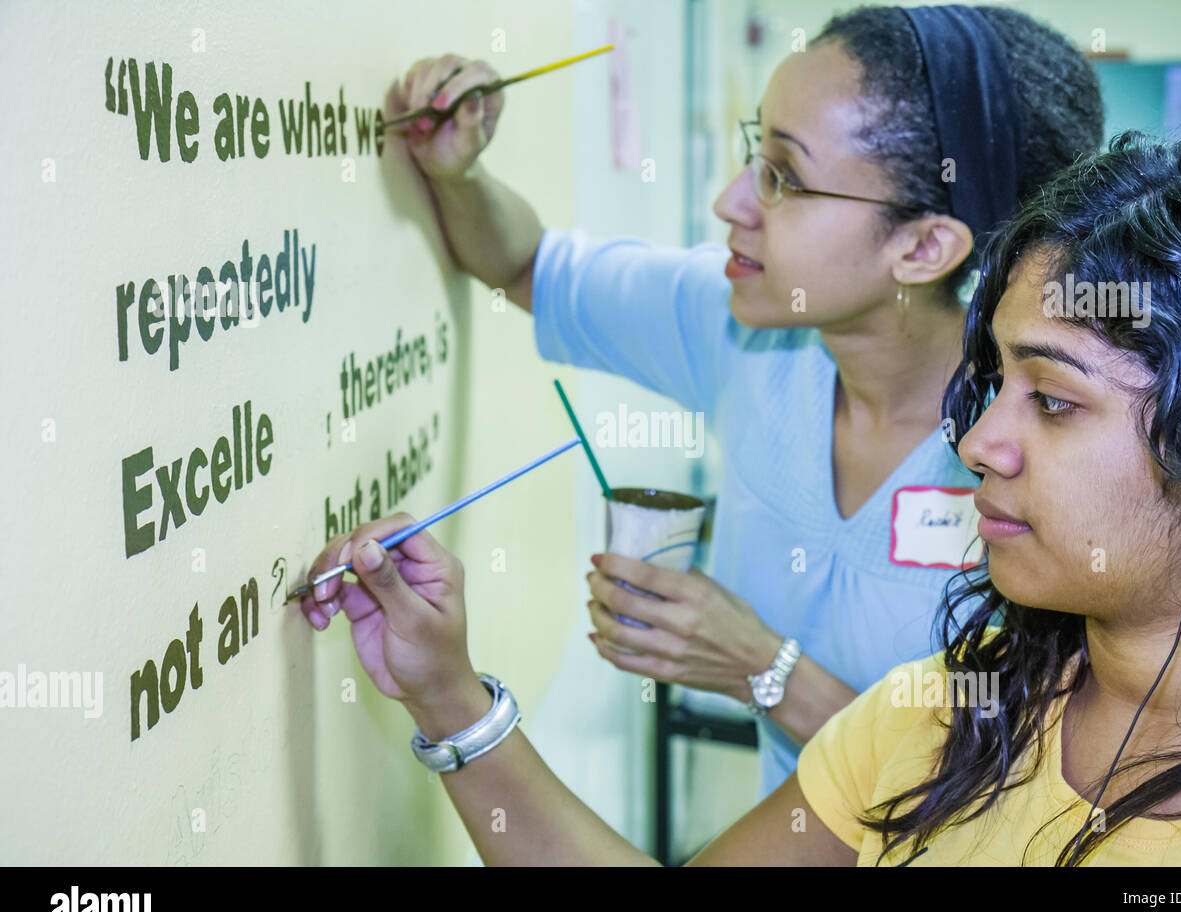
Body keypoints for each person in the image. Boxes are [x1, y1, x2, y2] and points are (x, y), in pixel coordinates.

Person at [300, 125, 1181, 865]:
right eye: (994, 382)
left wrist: (766, 667)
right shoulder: (951, 716)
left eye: (1051, 398)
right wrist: (450, 695)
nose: (981, 439)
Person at [374, 5, 1104, 801]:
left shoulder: (1044, 466)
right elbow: (525, 267)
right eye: (755, 155)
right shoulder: (747, 333)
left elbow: (1000, 793)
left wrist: (763, 667)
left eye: (783, 177)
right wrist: (459, 172)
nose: (731, 202)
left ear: (923, 247)